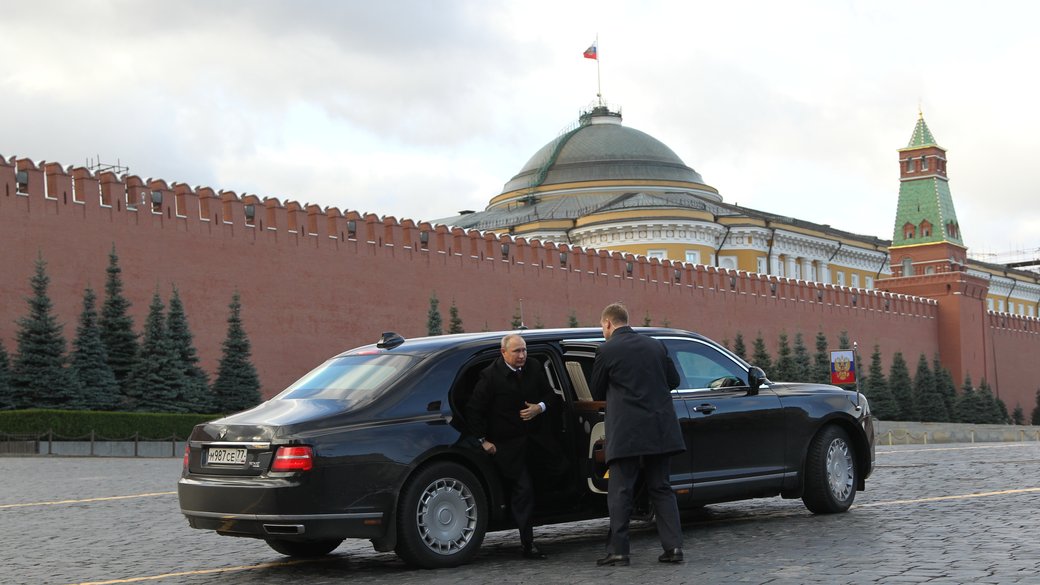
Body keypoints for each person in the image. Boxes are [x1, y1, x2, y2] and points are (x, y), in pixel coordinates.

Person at [590, 302, 685, 566]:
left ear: (608, 323)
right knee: (662, 488)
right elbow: (674, 381)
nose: (602, 330)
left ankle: (619, 552)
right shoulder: (656, 345)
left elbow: (596, 392)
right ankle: (674, 547)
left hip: (627, 431)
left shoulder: (606, 350)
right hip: (659, 428)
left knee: (620, 492)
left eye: (602, 326)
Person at [466, 333, 556, 560]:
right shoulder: (490, 376)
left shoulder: (534, 367)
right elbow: (474, 410)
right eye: (517, 351)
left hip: (536, 443)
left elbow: (551, 396)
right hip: (507, 447)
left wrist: (540, 408)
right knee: (523, 491)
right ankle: (528, 543)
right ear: (503, 353)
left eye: (524, 350)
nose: (522, 355)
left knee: (554, 478)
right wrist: (483, 441)